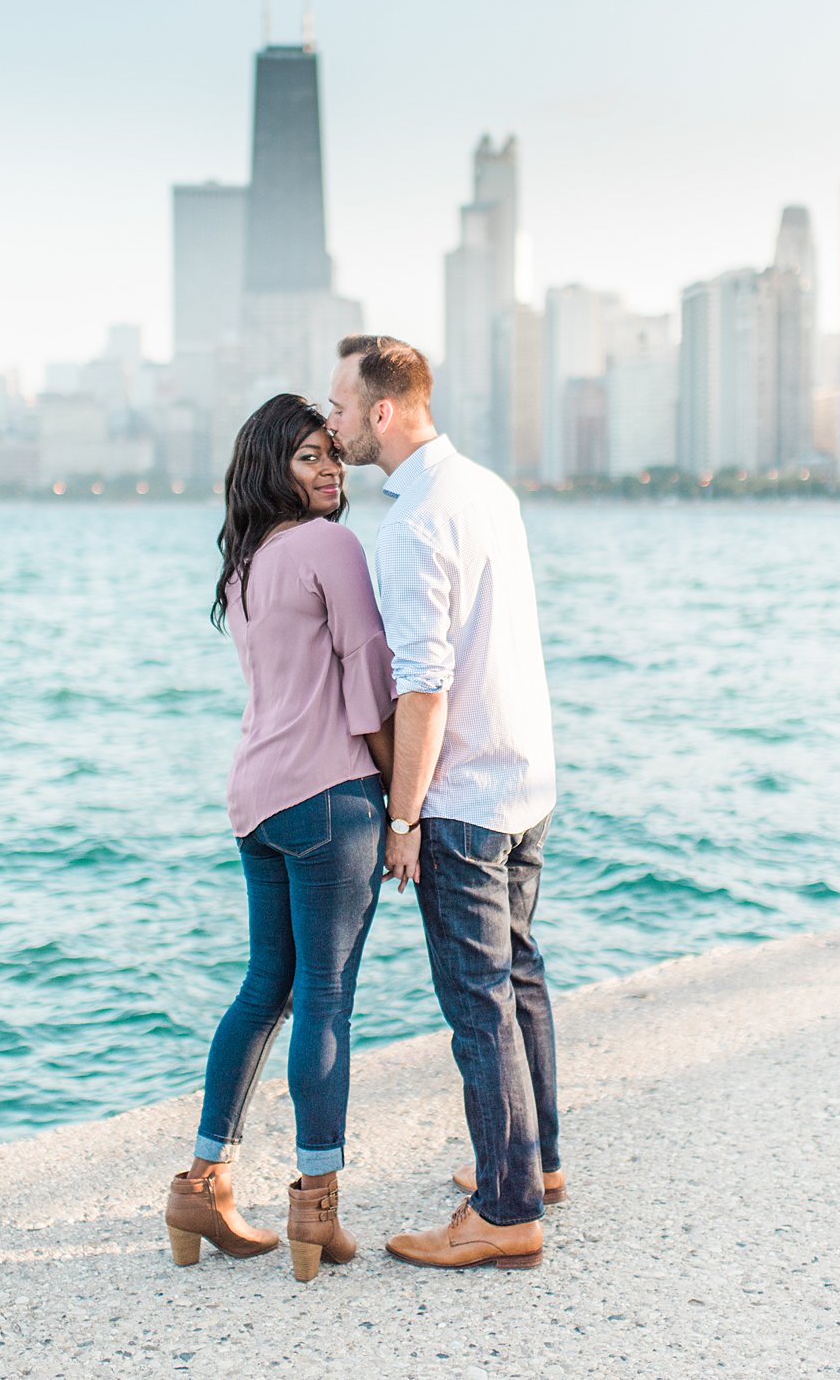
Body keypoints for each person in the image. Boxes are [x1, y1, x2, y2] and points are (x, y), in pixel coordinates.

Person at [327, 335, 561, 1272]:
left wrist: (403, 817)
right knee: (521, 977)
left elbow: (422, 687)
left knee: (478, 999)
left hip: (464, 794)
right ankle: (532, 1166)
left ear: (383, 412)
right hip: (526, 776)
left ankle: (504, 1213)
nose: (332, 420)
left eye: (339, 405)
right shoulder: (487, 490)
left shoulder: (413, 525)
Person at [165, 394, 395, 1283]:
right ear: (275, 469)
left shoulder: (245, 563)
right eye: (308, 458)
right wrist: (401, 799)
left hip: (255, 801)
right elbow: (369, 671)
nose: (330, 469)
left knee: (265, 989)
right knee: (327, 998)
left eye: (333, 454)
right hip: (331, 794)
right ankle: (317, 1203)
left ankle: (202, 1182)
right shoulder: (331, 546)